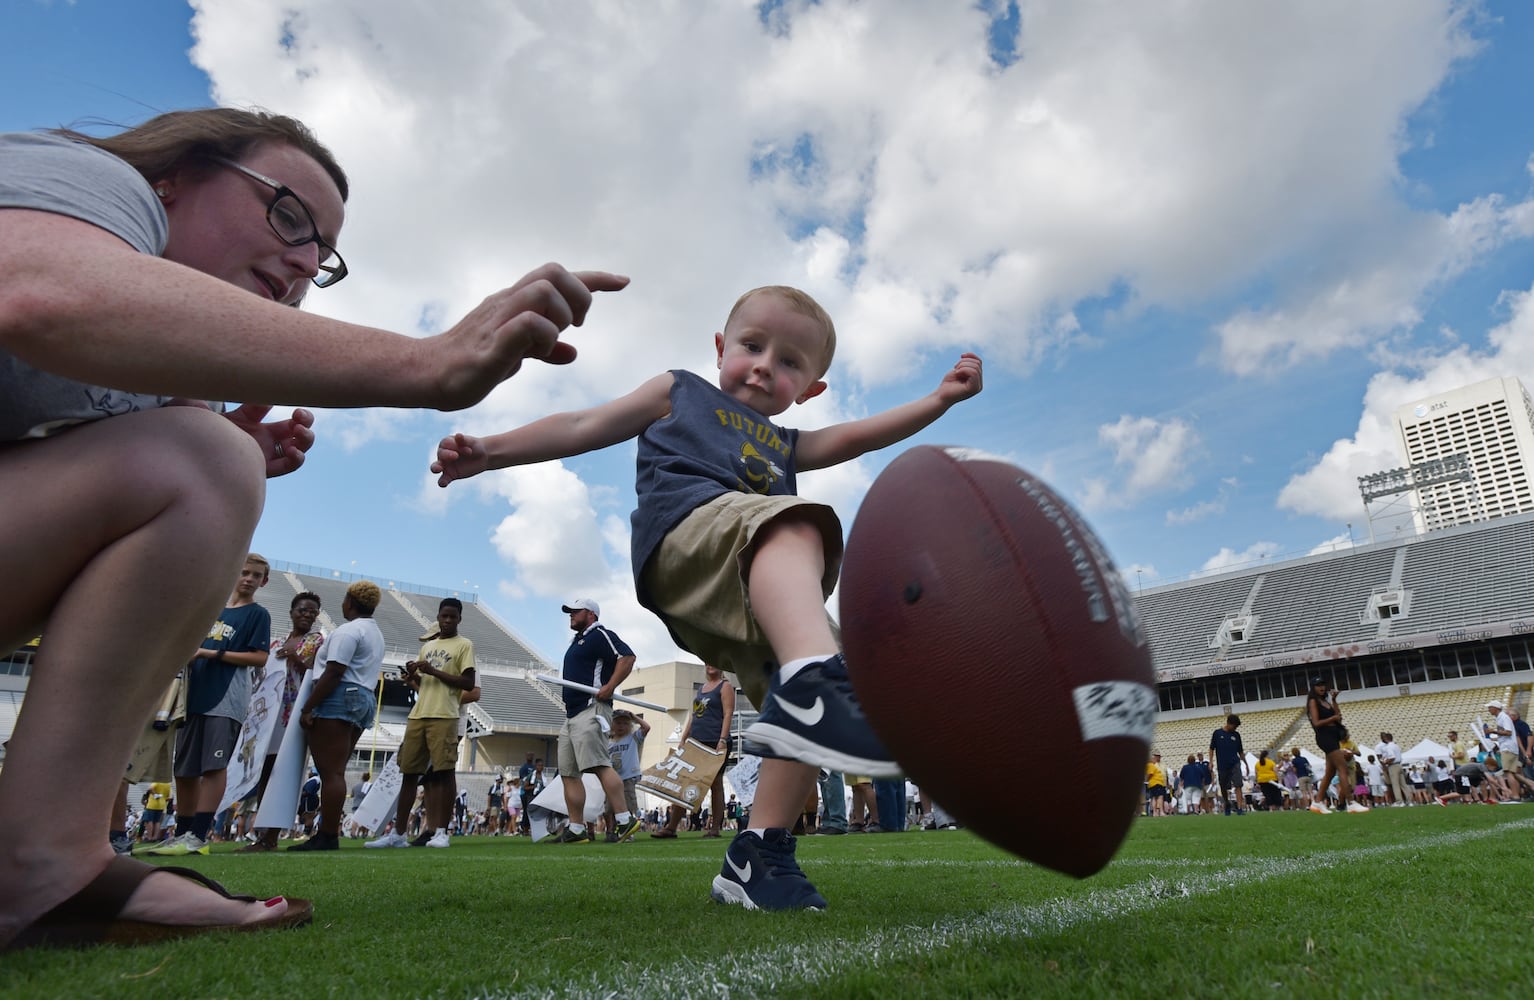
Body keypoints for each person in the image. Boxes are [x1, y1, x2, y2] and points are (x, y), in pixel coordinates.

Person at [0, 105, 625, 950]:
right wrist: (424, 365)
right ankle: (44, 859)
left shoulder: (164, 384)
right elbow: (44, 291)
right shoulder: (91, 180)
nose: (301, 261)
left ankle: (43, 862)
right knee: (202, 462)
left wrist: (210, 446)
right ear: (173, 176)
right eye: (286, 214)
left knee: (206, 463)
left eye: (321, 257)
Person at [431, 285, 983, 907]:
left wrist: (939, 399)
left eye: (790, 362)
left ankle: (759, 853)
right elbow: (586, 423)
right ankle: (811, 679)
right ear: (721, 347)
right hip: (686, 541)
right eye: (752, 345)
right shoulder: (681, 390)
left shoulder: (787, 445)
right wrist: (492, 451)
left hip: (745, 588)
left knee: (810, 692)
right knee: (797, 524)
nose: (765, 365)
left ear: (810, 390)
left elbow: (859, 437)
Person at [150, 554, 273, 857]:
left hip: (226, 697)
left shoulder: (258, 614)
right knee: (185, 769)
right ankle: (180, 835)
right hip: (192, 697)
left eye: (256, 575)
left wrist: (210, 654)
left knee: (213, 766)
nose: (248, 578)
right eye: (244, 572)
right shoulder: (212, 610)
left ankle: (199, 836)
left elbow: (260, 657)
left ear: (264, 581)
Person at [369, 598, 476, 849]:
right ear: (437, 617)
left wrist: (433, 671)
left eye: (452, 617)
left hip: (445, 715)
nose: (447, 621)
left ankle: (441, 831)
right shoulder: (428, 647)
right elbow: (427, 682)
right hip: (419, 713)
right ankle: (398, 833)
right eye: (443, 616)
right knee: (409, 773)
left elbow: (468, 683)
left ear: (459, 619)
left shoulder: (464, 645)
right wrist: (414, 675)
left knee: (444, 772)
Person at [288, 580, 385, 852]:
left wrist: (309, 706)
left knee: (330, 772)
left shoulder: (348, 631)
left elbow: (334, 672)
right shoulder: (375, 632)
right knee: (336, 771)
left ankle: (328, 834)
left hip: (339, 696)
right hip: (363, 696)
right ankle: (328, 832)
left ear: (350, 602)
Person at [548, 599, 642, 845]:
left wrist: (610, 687)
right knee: (569, 773)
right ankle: (576, 828)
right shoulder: (578, 640)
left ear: (590, 614)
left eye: (575, 611)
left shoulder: (600, 634)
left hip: (592, 708)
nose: (570, 615)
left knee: (600, 764)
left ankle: (624, 820)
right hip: (572, 714)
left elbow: (628, 657)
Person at [239, 591, 325, 852]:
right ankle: (263, 834)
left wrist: (295, 656)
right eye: (302, 610)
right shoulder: (277, 642)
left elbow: (314, 670)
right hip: (270, 716)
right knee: (265, 773)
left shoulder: (317, 640)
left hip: (294, 714)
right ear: (291, 612)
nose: (307, 615)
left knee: (283, 773)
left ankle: (271, 835)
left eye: (312, 611)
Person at [653, 664, 735, 838]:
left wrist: (722, 739)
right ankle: (671, 827)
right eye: (708, 662)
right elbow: (694, 714)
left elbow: (728, 713)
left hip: (715, 741)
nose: (711, 666)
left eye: (714, 662)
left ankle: (714, 828)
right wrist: (684, 737)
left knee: (716, 784)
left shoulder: (725, 686)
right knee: (684, 782)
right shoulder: (701, 689)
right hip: (696, 742)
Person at [1305, 678, 1366, 814]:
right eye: (1318, 685)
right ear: (1313, 688)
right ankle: (1351, 802)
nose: (1321, 687)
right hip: (1325, 737)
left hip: (1333, 737)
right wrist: (1332, 719)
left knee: (1330, 772)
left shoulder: (1326, 701)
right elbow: (1316, 722)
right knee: (1342, 768)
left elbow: (1338, 716)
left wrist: (1334, 700)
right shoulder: (1313, 701)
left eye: (1323, 684)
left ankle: (1317, 802)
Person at [603, 709, 651, 842]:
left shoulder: (633, 738)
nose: (621, 726)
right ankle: (610, 831)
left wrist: (635, 717)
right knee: (609, 807)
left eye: (625, 723)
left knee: (627, 804)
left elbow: (646, 727)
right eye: (618, 723)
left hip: (627, 777)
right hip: (612, 778)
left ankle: (628, 831)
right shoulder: (609, 742)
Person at [1208, 715, 1248, 816]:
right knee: (1223, 787)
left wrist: (1246, 763)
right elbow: (1211, 748)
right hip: (1222, 765)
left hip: (1235, 763)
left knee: (1238, 784)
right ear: (1229, 723)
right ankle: (1227, 803)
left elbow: (1241, 751)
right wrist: (1211, 761)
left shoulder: (1237, 735)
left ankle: (1239, 808)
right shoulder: (1217, 733)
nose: (1235, 729)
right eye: (1234, 726)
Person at [1374, 732, 1408, 807]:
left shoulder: (1388, 747)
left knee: (1395, 784)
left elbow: (1392, 757)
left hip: (1393, 765)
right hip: (1399, 764)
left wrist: (1385, 762)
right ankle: (1409, 800)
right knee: (1403, 784)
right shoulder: (1396, 746)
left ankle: (1399, 801)